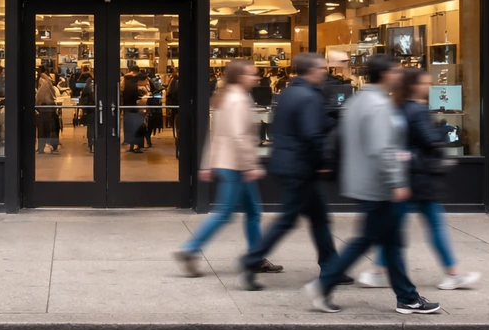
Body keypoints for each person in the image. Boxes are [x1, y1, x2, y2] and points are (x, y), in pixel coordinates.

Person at [304, 54, 440, 315]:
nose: (401, 76)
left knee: (390, 241)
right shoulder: (378, 105)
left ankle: (407, 297)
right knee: (367, 240)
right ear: (386, 75)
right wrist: (397, 181)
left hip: (362, 180)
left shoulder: (358, 101)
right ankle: (323, 285)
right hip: (378, 185)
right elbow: (382, 149)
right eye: (397, 72)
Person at [357, 68, 481, 291]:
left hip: (405, 176)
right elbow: (429, 140)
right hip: (420, 177)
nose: (429, 86)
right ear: (413, 85)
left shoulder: (398, 108)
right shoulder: (417, 110)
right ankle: (452, 272)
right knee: (433, 224)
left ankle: (376, 271)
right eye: (425, 83)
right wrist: (443, 130)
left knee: (396, 226)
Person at [241, 52, 351, 290]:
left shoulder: (289, 92)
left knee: (319, 219)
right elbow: (312, 135)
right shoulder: (309, 96)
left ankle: (332, 267)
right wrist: (324, 163)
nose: (325, 71)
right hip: (301, 168)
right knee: (287, 220)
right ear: (311, 71)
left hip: (290, 164)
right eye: (321, 68)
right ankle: (250, 261)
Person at [173, 60, 277, 278]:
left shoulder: (224, 98)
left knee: (252, 213)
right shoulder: (238, 100)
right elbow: (240, 138)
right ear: (240, 77)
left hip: (228, 164)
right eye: (252, 74)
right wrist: (251, 165)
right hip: (237, 167)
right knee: (225, 214)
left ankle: (256, 257)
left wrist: (208, 164)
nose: (256, 78)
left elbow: (215, 136)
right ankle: (190, 249)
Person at [35, 69, 60, 154]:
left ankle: (42, 148)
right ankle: (53, 146)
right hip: (50, 111)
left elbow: (38, 100)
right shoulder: (50, 87)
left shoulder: (43, 87)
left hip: (44, 111)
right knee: (51, 129)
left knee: (42, 130)